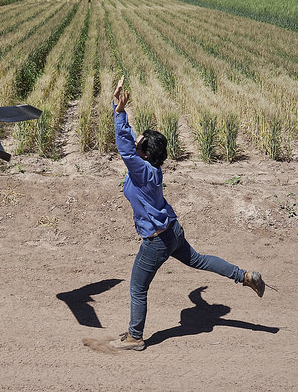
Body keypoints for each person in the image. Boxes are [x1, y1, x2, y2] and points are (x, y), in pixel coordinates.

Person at [109, 75, 266, 351]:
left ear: (144, 154)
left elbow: (124, 146)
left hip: (157, 240)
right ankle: (245, 276)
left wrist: (119, 112)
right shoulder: (150, 169)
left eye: (139, 141)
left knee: (137, 288)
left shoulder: (142, 171)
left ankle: (135, 337)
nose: (136, 140)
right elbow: (129, 143)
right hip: (173, 231)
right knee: (199, 260)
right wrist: (198, 299)